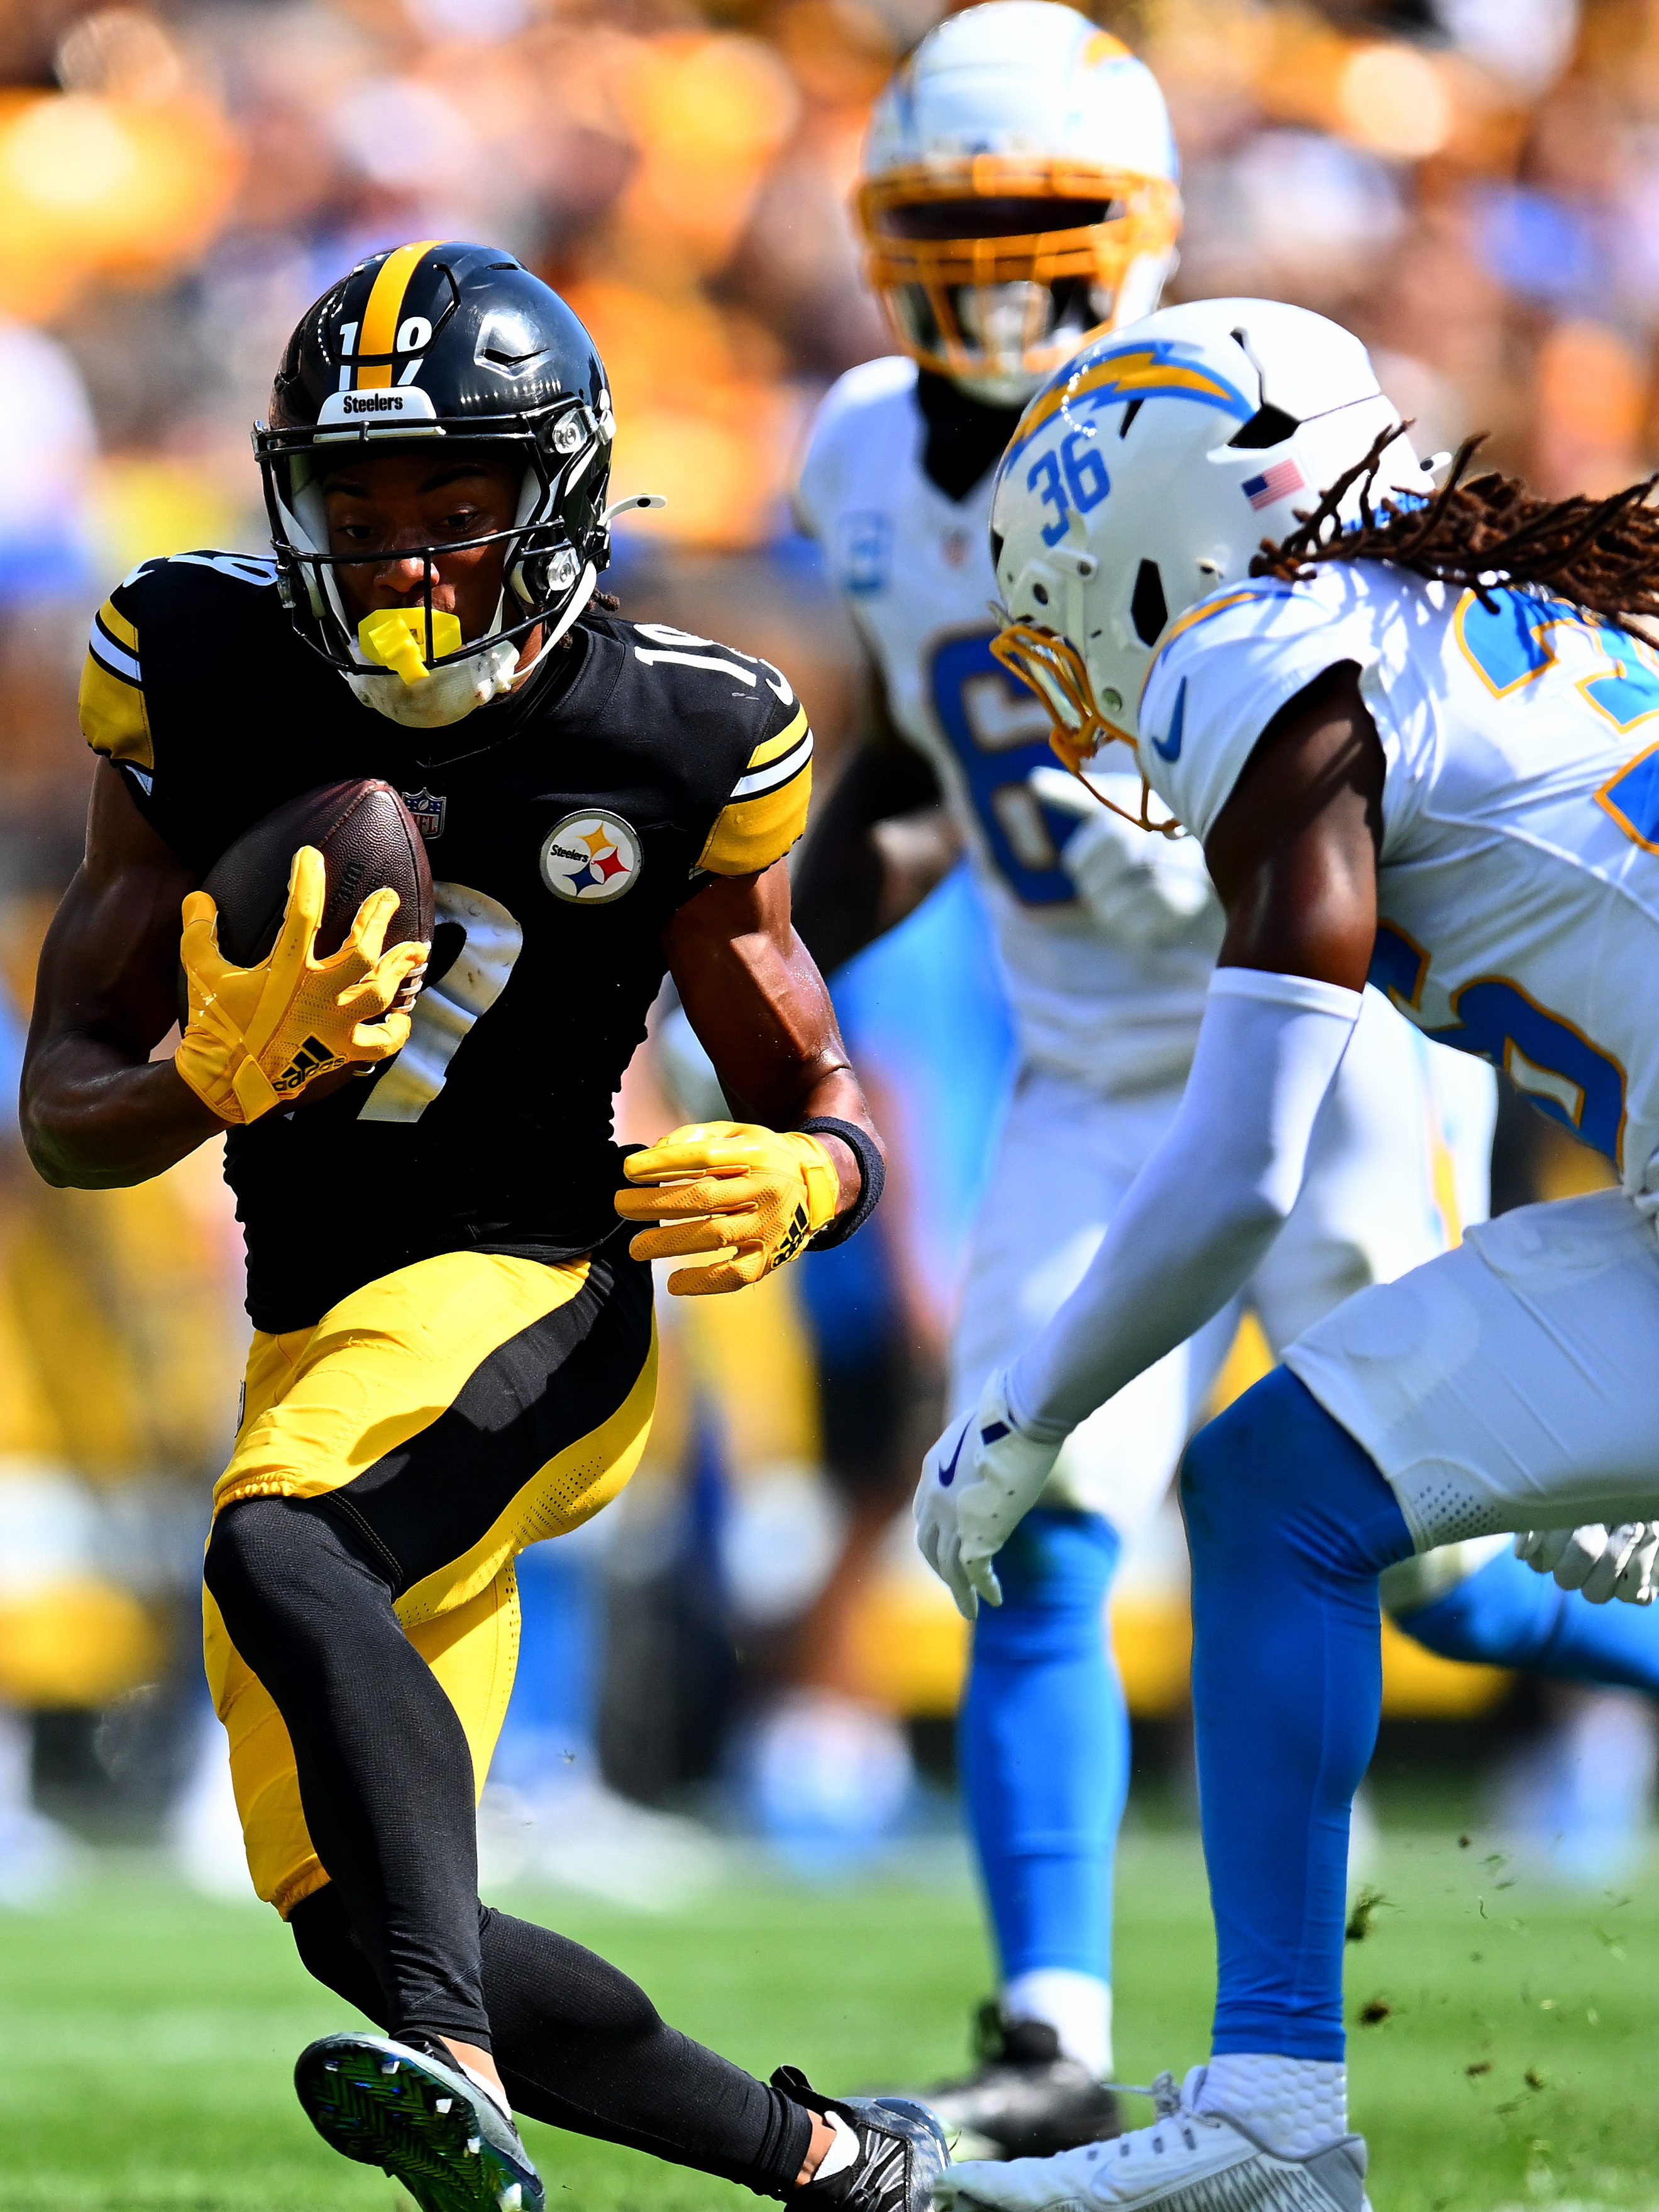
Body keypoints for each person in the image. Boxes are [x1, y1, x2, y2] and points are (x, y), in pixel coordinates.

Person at [795, 1, 1659, 2160]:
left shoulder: (1274, 653)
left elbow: (1247, 1157)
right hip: (1361, 1121)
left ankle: (1271, 2100)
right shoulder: (1478, 612)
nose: (1087, 657)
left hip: (1310, 1083)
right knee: (1264, 1498)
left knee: (1317, 1514)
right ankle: (1204, 2085)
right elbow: (917, 775)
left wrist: (1021, 1411)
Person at [19, 239, 945, 2212]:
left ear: (563, 500)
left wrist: (819, 1177)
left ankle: (455, 2075)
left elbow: (817, 1089)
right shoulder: (192, 659)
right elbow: (67, 1125)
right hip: (321, 1323)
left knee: (285, 1536)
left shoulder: (685, 728)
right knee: (356, 1910)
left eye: (458, 507)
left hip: (541, 1296)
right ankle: (846, 2163)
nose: (410, 556)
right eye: (360, 514)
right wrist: (207, 1080)